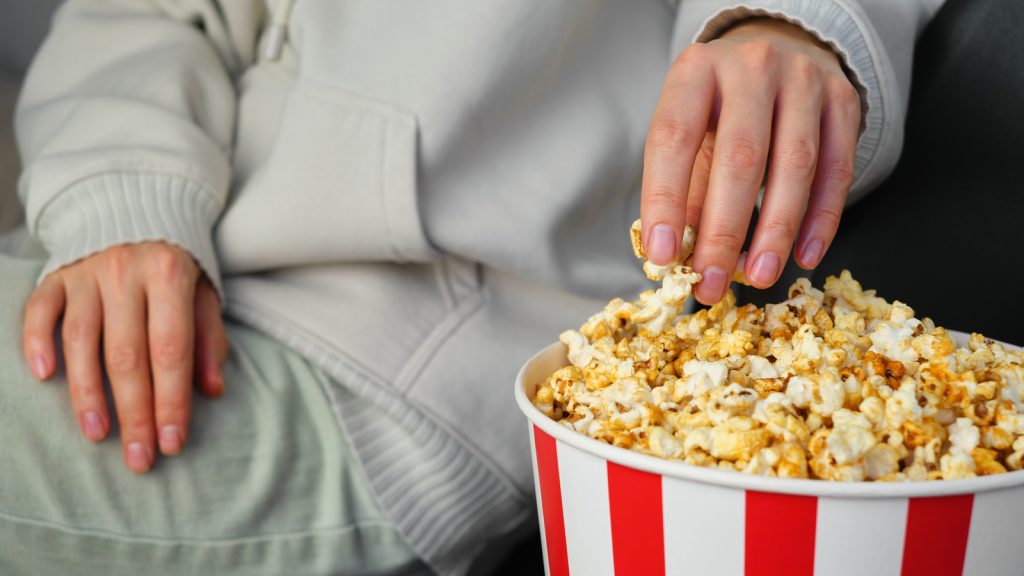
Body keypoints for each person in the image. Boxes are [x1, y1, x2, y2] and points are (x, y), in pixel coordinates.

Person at [0, 1, 943, 574]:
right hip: (159, 246)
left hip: (401, 348)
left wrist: (784, 25)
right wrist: (117, 192)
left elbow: (790, 30)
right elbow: (146, 12)